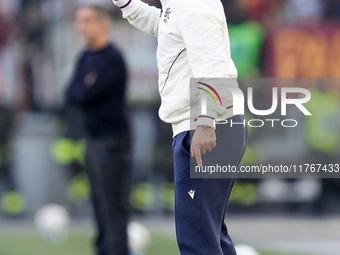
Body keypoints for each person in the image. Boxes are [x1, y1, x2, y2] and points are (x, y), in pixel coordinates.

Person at [112, 0, 247, 254]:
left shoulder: (193, 3)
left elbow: (210, 63)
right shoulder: (181, 4)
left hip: (207, 126)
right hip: (207, 124)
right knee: (209, 236)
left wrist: (204, 122)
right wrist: (126, 3)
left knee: (197, 240)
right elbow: (162, 24)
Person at [65, 5, 131, 255]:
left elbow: (86, 94)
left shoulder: (112, 58)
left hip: (112, 140)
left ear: (104, 23)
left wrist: (84, 89)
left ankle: (118, 251)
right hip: (92, 138)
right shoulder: (85, 57)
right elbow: (71, 93)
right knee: (98, 204)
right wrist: (83, 89)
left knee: (113, 205)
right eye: (79, 21)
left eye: (88, 20)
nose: (82, 26)